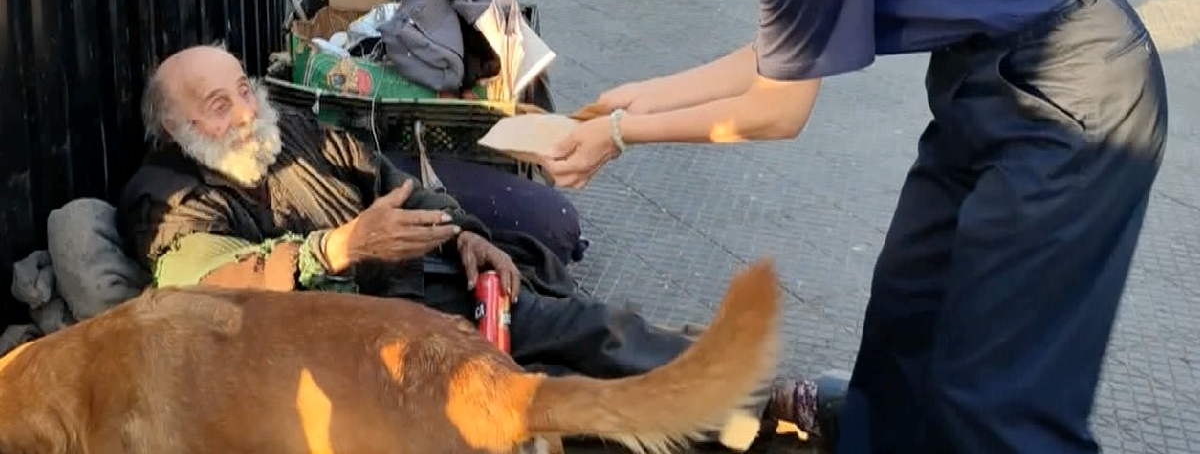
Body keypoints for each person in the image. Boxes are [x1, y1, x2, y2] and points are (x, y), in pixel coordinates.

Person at [517, 0, 1169, 454]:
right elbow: (787, 48)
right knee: (905, 321)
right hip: (986, 82)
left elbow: (776, 109)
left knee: (999, 396)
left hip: (1073, 93)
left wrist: (618, 134)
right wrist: (639, 96)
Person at [117, 44, 846, 450]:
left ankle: (753, 399)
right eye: (220, 104)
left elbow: (394, 179)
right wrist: (334, 249)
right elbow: (201, 290)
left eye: (245, 87)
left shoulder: (297, 132)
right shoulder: (167, 198)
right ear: (176, 126)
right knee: (558, 390)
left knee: (583, 322)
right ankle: (730, 411)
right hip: (362, 361)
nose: (248, 109)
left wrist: (466, 233)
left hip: (431, 292)